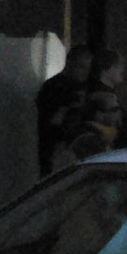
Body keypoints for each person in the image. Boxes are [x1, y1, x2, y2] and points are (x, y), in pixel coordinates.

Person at [35, 43, 91, 175]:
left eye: (87, 68)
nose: (85, 72)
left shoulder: (84, 88)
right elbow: (49, 122)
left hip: (78, 148)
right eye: (81, 67)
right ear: (70, 63)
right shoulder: (52, 88)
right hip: (56, 148)